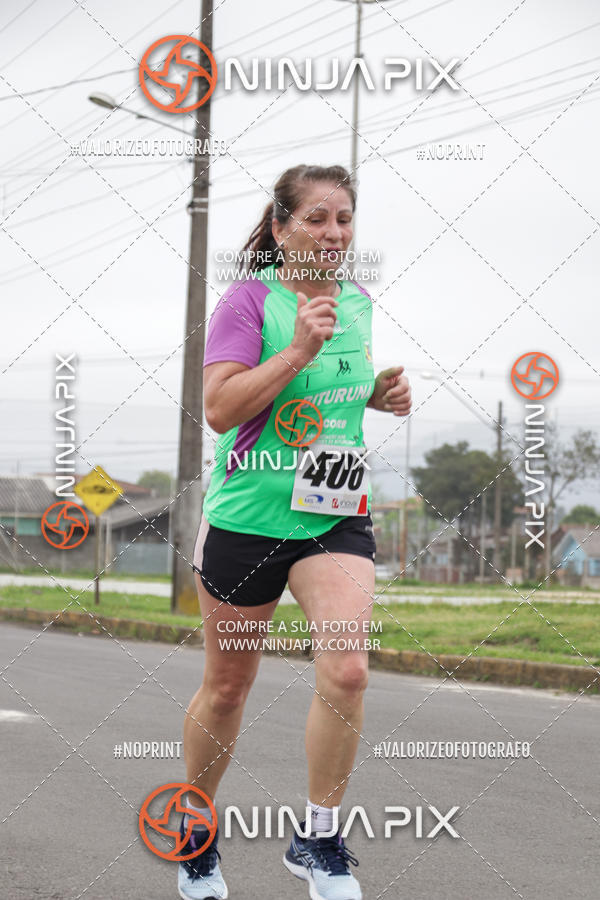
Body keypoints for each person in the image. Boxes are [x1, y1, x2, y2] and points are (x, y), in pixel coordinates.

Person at [177, 164, 411, 900]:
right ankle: (196, 834)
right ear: (280, 229)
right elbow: (219, 408)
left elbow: (332, 397)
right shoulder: (249, 302)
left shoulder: (359, 303)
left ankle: (317, 837)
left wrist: (378, 393)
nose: (334, 234)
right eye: (316, 218)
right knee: (227, 687)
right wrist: (297, 352)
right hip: (248, 519)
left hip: (333, 516)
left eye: (343, 219)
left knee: (347, 670)